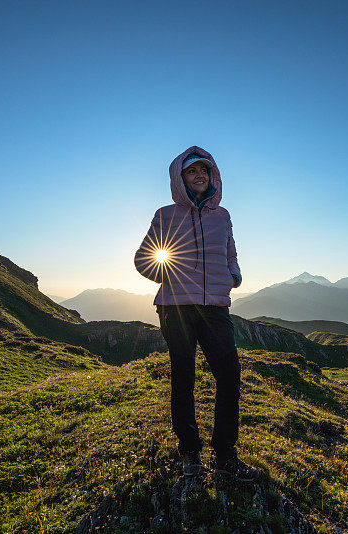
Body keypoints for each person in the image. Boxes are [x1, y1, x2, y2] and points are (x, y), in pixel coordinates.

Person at [134, 146, 259, 482]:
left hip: (215, 307)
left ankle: (224, 455)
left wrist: (234, 276)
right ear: (180, 178)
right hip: (175, 308)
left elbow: (230, 252)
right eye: (192, 171)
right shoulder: (165, 215)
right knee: (183, 378)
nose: (200, 176)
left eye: (205, 170)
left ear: (213, 176)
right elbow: (143, 259)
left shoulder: (223, 216)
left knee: (230, 377)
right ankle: (190, 453)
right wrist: (172, 277)